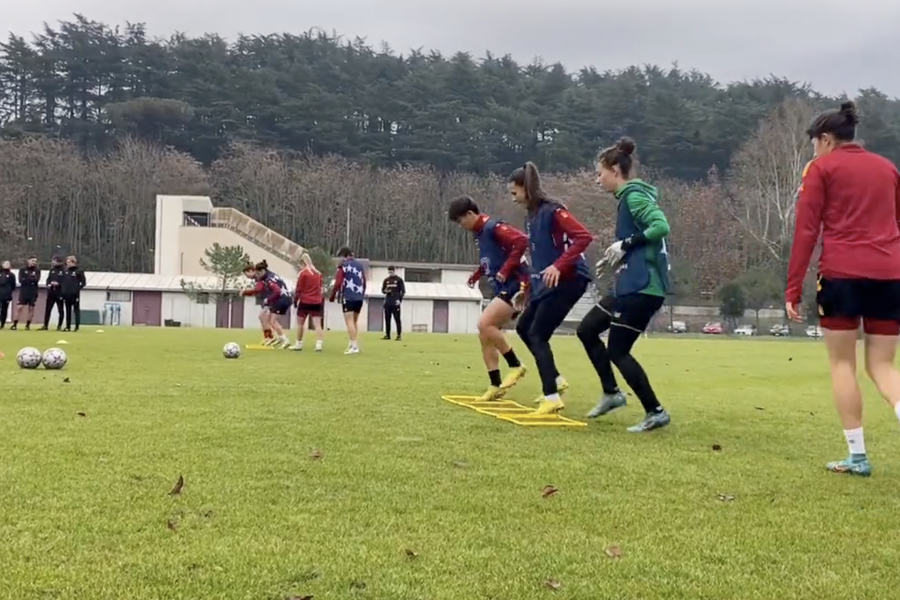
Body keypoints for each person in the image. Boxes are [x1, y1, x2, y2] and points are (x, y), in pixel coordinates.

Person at [785, 100, 900, 477]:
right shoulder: (888, 169)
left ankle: (858, 456)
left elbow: (806, 230)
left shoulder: (822, 168)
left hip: (842, 275)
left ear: (825, 140)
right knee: (882, 365)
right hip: (889, 275)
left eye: (815, 143)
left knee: (842, 364)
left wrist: (792, 287)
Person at [576, 137, 672, 433]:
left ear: (615, 169)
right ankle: (611, 393)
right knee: (587, 329)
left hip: (644, 288)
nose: (597, 179)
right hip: (628, 284)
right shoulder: (627, 199)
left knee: (617, 350)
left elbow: (661, 226)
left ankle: (655, 411)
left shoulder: (634, 196)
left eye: (600, 172)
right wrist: (619, 256)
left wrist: (626, 243)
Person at [508, 161, 593, 415]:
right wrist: (527, 290)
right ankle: (555, 379)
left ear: (526, 188)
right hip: (548, 282)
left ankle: (552, 396)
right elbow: (541, 261)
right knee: (524, 327)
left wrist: (559, 265)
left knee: (538, 334)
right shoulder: (531, 217)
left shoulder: (553, 211)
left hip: (571, 279)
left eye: (514, 192)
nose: (512, 199)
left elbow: (584, 237)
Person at [449, 196, 528, 401]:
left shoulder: (494, 227)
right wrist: (476, 275)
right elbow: (489, 261)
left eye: (461, 220)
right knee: (485, 335)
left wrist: (507, 268)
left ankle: (516, 365)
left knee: (484, 323)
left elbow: (521, 241)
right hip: (501, 286)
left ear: (470, 214)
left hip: (516, 284)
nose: (461, 225)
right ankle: (495, 385)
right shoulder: (479, 234)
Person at [241, 260, 291, 348]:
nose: (257, 275)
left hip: (280, 299)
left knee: (271, 320)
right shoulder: (267, 276)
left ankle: (282, 339)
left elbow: (275, 290)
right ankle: (276, 337)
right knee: (267, 318)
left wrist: (267, 299)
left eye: (246, 274)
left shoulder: (267, 279)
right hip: (279, 298)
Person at [329, 247, 366, 355]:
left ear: (343, 256)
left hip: (349, 296)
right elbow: (364, 281)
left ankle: (354, 347)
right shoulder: (360, 266)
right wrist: (362, 294)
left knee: (349, 321)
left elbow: (338, 282)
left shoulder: (343, 266)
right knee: (354, 322)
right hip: (359, 296)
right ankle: (352, 343)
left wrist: (333, 295)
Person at [293, 252, 325, 352]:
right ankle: (319, 345)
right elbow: (320, 288)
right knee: (318, 324)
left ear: (302, 263)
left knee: (300, 323)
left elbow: (299, 288)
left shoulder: (303, 274)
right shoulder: (318, 274)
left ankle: (298, 344)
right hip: (316, 301)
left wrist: (295, 300)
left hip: (305, 301)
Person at [11, 256, 40, 331]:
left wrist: (28, 278)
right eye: (33, 260)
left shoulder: (37, 270)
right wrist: (30, 278)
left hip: (33, 291)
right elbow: (21, 280)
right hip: (24, 291)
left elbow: (36, 280)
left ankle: (27, 325)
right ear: (28, 261)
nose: (34, 262)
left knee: (31, 308)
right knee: (19, 307)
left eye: (35, 261)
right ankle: (15, 324)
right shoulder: (22, 270)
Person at [60, 255, 86, 332]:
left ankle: (77, 327)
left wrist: (77, 289)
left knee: (76, 310)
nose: (67, 264)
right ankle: (68, 326)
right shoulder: (65, 271)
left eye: (69, 262)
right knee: (68, 311)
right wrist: (62, 292)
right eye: (67, 262)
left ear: (73, 262)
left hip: (75, 294)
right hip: (66, 294)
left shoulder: (79, 271)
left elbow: (83, 282)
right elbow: (63, 283)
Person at [40, 256, 65, 331]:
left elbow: (65, 281)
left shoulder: (64, 270)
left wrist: (59, 284)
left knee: (60, 310)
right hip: (51, 292)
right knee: (48, 309)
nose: (53, 262)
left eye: (54, 261)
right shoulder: (52, 270)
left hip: (59, 293)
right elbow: (48, 279)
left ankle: (59, 326)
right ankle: (45, 325)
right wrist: (48, 284)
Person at [381, 266, 405, 340]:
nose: (390, 273)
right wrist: (386, 291)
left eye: (391, 272)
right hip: (388, 302)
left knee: (397, 319)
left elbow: (403, 291)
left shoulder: (399, 280)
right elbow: (383, 290)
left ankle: (398, 335)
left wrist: (399, 300)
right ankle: (387, 335)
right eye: (389, 272)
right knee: (387, 319)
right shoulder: (386, 280)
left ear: (394, 271)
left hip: (395, 302)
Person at [0, 261, 15, 329]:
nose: (7, 265)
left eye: (8, 264)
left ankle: (2, 324)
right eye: (5, 263)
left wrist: (8, 292)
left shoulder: (11, 275)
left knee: (4, 310)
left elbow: (13, 286)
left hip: (6, 295)